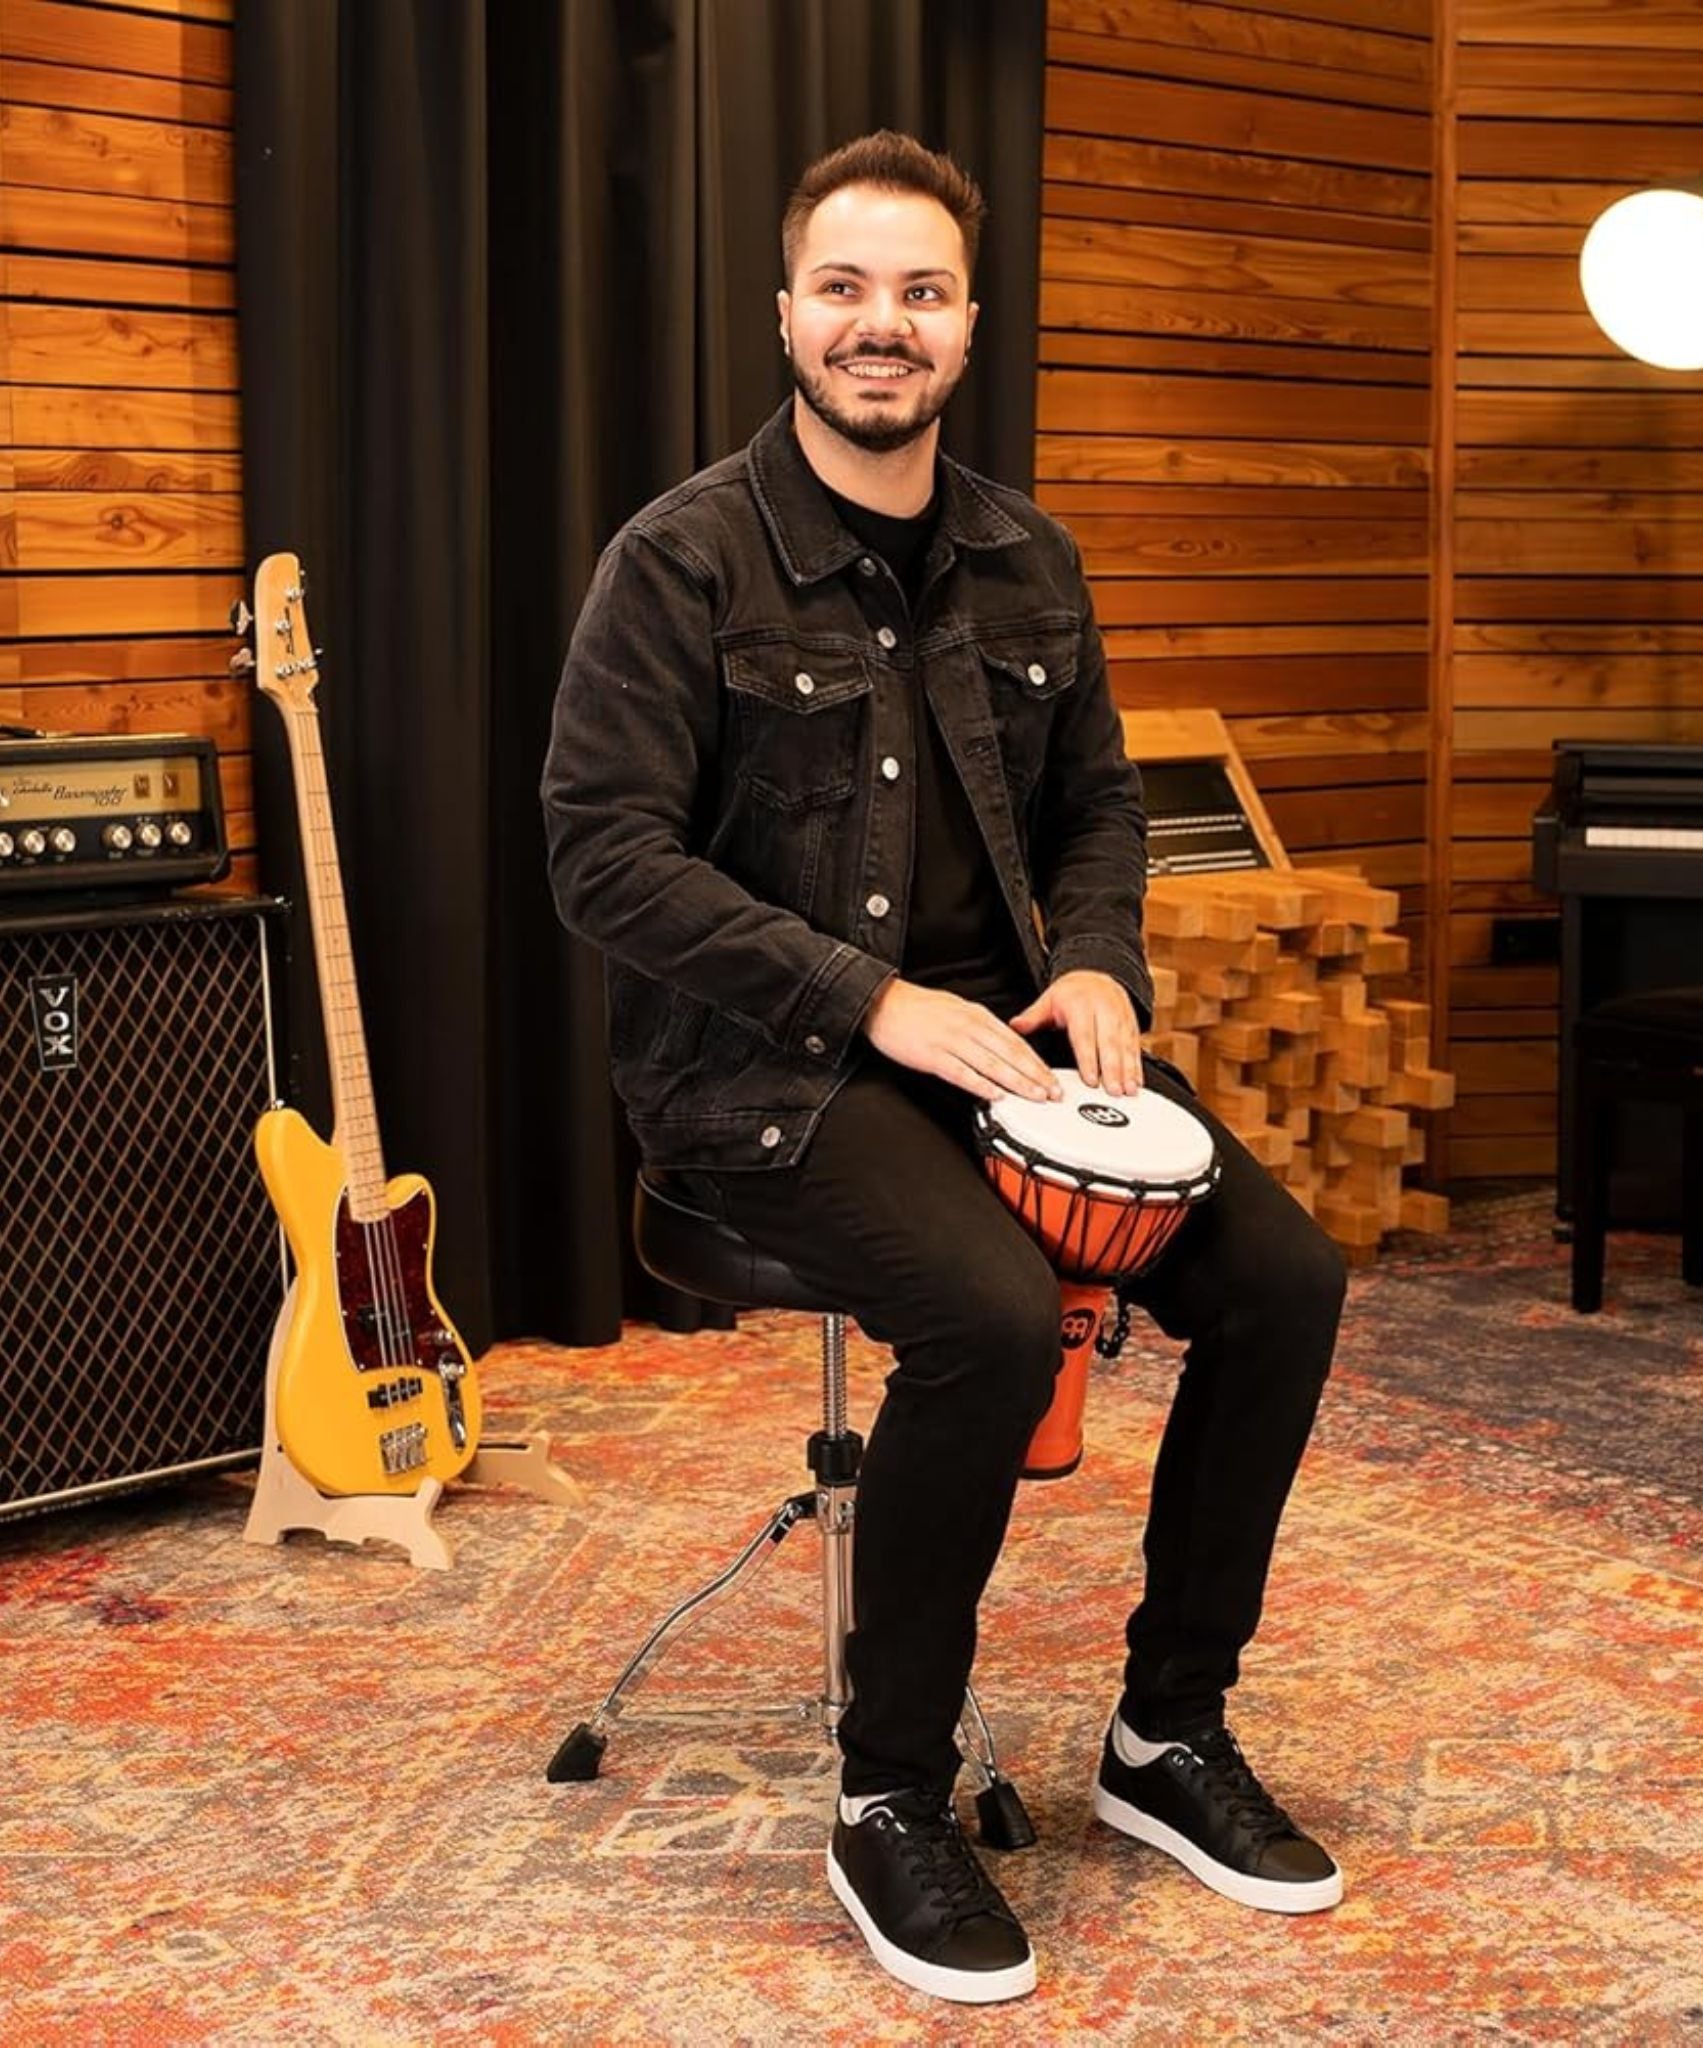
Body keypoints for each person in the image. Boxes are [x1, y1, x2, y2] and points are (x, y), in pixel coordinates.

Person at [542, 131, 1349, 2005]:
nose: (879, 323)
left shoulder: (1027, 556)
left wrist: (1098, 957)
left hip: (1004, 1049)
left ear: (969, 326)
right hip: (766, 1070)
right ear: (786, 315)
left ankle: (1166, 1733)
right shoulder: (679, 558)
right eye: (844, 287)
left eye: (920, 291)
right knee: (989, 1318)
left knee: (1290, 1281)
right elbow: (602, 857)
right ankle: (889, 1792)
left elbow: (1099, 808)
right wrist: (867, 999)